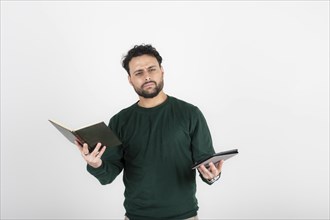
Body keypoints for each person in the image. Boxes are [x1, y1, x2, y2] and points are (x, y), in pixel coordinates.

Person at [75, 44, 224, 220]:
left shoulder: (190, 114)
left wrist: (212, 175)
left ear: (161, 71)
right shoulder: (120, 121)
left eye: (151, 69)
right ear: (130, 79)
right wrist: (95, 164)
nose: (146, 76)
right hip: (136, 216)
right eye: (138, 73)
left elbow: (207, 163)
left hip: (184, 216)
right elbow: (107, 174)